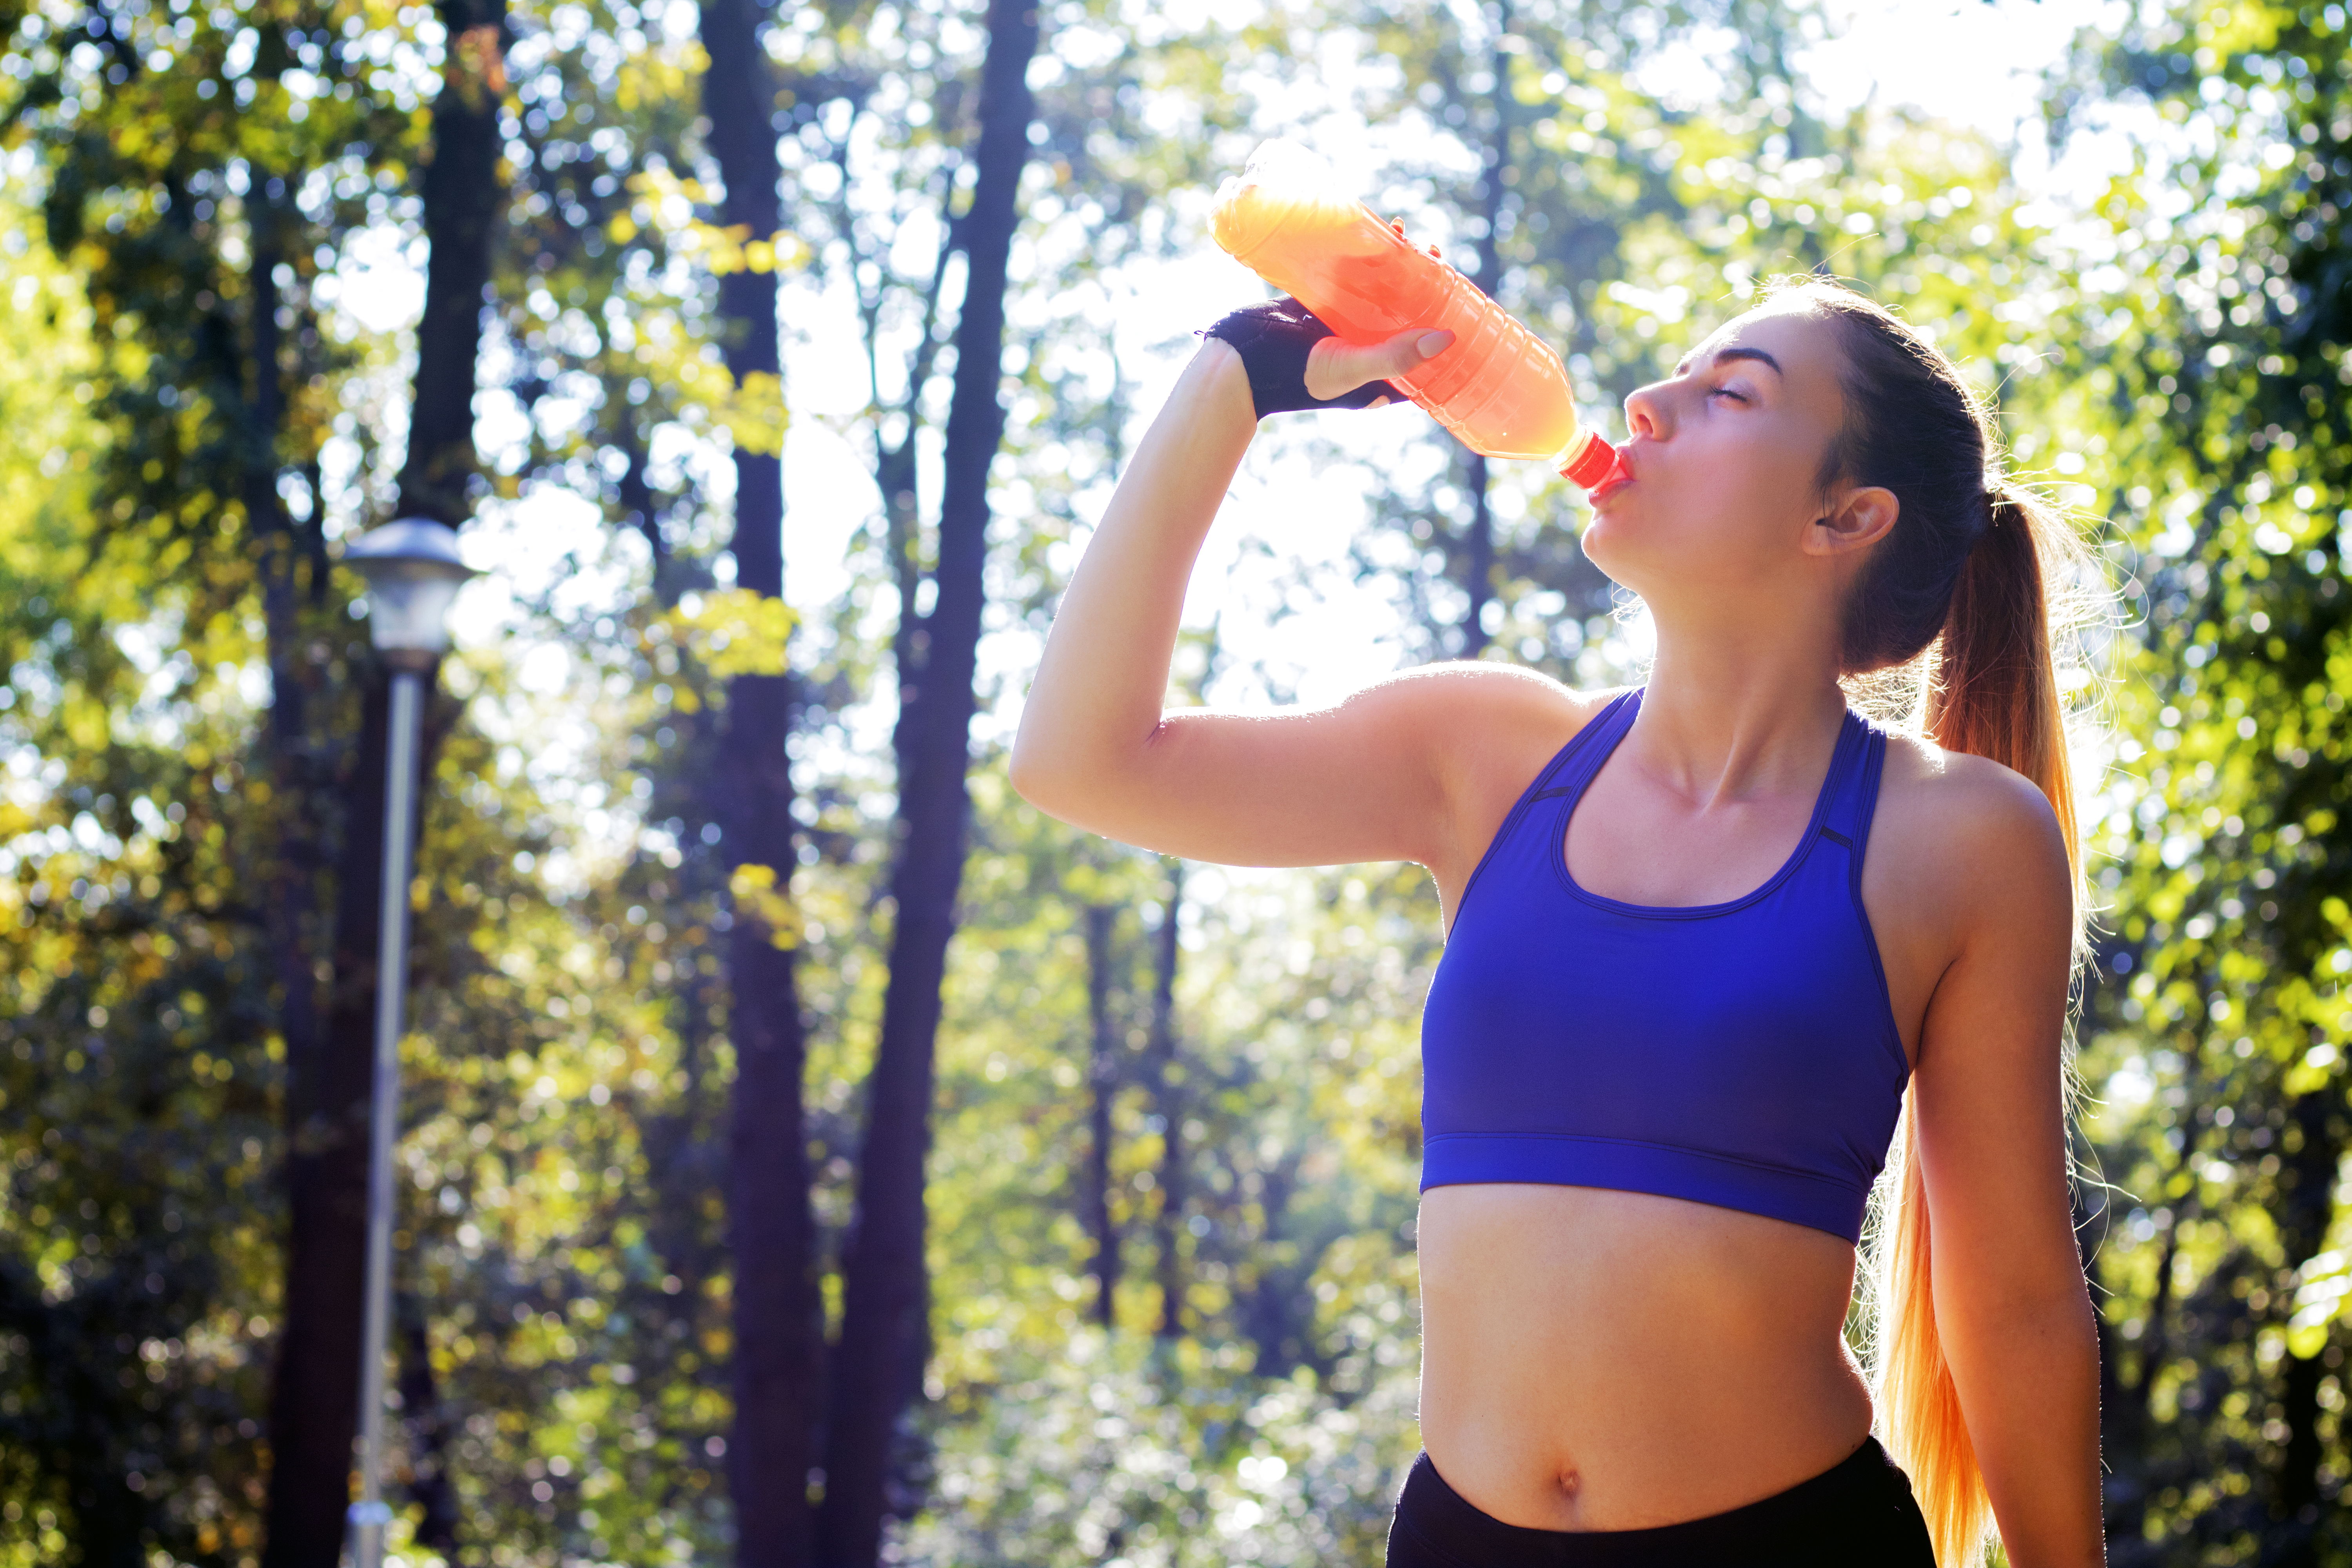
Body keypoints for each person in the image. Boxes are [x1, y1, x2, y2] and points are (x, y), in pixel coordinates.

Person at [1009, 277, 2106, 1566]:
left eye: (1731, 391)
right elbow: (1080, 762)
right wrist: (1235, 379)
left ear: (1845, 514)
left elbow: (2017, 1299)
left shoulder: (1960, 837)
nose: (1650, 400)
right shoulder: (1482, 753)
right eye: (1679, 376)